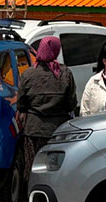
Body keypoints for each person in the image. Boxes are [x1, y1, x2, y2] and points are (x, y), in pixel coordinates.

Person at [17, 36, 77, 188]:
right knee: (55, 169)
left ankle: (32, 193)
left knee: (32, 167)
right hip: (58, 131)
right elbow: (71, 104)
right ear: (56, 51)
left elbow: (21, 104)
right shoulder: (65, 73)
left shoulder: (28, 74)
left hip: (33, 130)